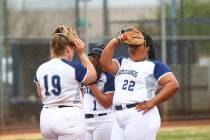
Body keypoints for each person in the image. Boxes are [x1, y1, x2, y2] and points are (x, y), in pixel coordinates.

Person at [100, 26, 179, 140]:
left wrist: (153, 102)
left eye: (136, 45)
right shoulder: (123, 62)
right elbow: (104, 63)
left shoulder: (154, 65)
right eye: (130, 45)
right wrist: (116, 40)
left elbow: (173, 84)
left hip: (140, 115)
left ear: (147, 47)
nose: (132, 48)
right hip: (118, 117)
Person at [34, 25, 97, 140]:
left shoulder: (41, 68)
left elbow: (41, 95)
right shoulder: (74, 67)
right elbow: (93, 76)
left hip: (47, 117)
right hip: (69, 117)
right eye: (72, 49)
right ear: (68, 48)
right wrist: (82, 53)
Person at [82, 44, 115, 140]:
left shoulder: (109, 76)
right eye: (93, 57)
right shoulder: (86, 75)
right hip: (86, 120)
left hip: (104, 120)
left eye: (98, 57)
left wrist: (92, 85)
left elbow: (107, 103)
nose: (95, 60)